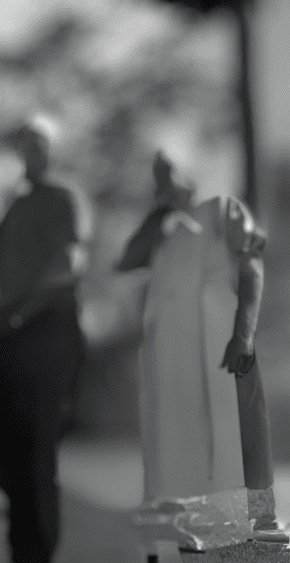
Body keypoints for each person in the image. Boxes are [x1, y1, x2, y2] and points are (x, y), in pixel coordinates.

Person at [117, 150, 281, 549]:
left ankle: (252, 536)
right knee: (179, 453)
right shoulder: (166, 230)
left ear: (190, 174)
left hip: (218, 341)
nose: (162, 184)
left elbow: (252, 262)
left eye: (168, 173)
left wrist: (243, 331)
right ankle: (193, 536)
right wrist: (156, 215)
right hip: (172, 357)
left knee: (235, 440)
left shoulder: (221, 210)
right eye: (156, 178)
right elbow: (127, 261)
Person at [0, 117, 87, 563]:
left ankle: (35, 549)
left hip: (46, 332)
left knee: (35, 450)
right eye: (27, 143)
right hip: (10, 333)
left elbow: (64, 266)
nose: (33, 151)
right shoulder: (15, 207)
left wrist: (17, 312)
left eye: (41, 143)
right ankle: (25, 523)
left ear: (53, 151)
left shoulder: (60, 198)